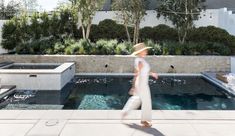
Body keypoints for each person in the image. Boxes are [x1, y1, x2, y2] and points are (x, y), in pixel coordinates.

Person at [121, 43, 158, 127]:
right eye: (144, 50)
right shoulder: (140, 61)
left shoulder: (141, 60)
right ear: (140, 52)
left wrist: (152, 74)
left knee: (137, 99)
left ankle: (124, 112)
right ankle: (144, 120)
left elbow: (144, 71)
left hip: (143, 83)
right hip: (141, 83)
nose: (146, 51)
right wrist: (134, 86)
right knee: (146, 101)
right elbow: (137, 74)